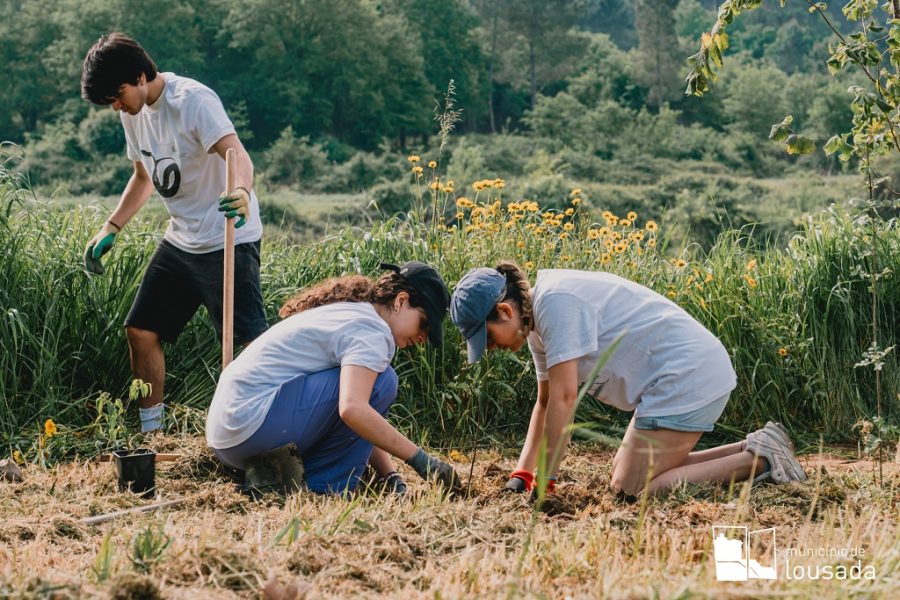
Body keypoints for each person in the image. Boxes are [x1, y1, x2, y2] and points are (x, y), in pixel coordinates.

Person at [450, 262, 807, 498]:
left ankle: (760, 462)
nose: (493, 348)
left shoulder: (555, 305)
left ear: (505, 311)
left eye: (490, 338)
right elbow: (544, 402)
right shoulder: (537, 325)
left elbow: (564, 400)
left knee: (633, 490)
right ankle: (757, 446)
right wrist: (522, 474)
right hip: (669, 382)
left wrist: (547, 483)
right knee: (632, 477)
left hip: (686, 376)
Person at [80, 33, 267, 432]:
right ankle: (154, 431)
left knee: (249, 346)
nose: (115, 105)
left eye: (117, 94)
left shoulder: (193, 101)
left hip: (227, 236)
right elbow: (143, 176)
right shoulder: (132, 114)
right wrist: (111, 227)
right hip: (181, 240)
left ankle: (256, 435)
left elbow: (239, 154)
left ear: (140, 75)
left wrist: (241, 191)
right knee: (141, 330)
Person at [206, 262, 462, 495]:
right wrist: (421, 461)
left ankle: (277, 473)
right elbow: (353, 409)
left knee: (375, 384)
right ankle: (323, 488)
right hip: (251, 425)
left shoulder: (350, 312)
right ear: (401, 301)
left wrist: (390, 474)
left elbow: (360, 415)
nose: (423, 338)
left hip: (229, 435)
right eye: (424, 325)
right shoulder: (373, 331)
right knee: (384, 383)